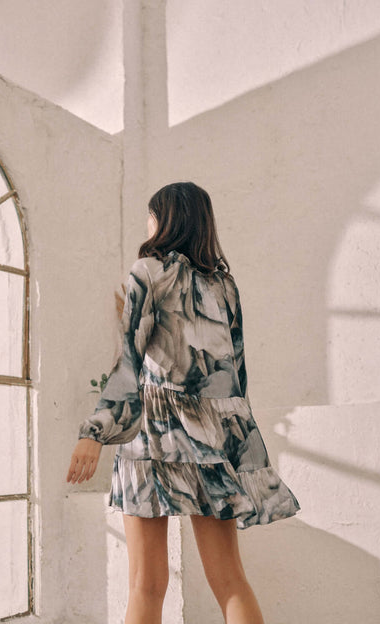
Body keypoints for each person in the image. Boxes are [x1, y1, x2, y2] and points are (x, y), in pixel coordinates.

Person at [66, 182, 301, 624]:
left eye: (151, 214)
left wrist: (93, 433)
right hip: (211, 434)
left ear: (164, 219)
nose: (147, 223)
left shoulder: (147, 272)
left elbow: (130, 364)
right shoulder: (224, 286)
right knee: (231, 581)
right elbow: (236, 379)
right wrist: (241, 451)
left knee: (146, 586)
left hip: (154, 432)